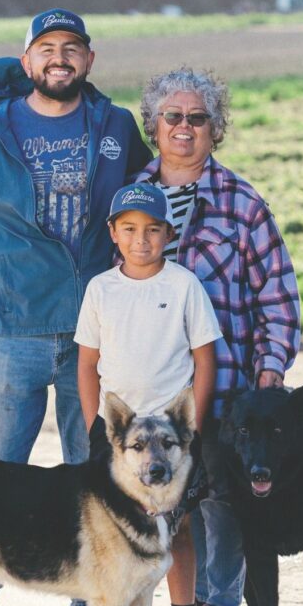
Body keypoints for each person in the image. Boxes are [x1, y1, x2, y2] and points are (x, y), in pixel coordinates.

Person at [0, 8, 152, 606]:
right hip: (11, 327)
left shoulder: (115, 128)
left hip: (94, 333)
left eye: (72, 49)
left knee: (94, 473)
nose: (59, 59)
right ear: (27, 60)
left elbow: (146, 213)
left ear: (89, 60)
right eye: (46, 49)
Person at [133, 68, 301, 606]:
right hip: (153, 389)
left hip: (227, 386)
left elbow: (278, 299)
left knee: (221, 500)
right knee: (169, 499)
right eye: (173, 117)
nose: (184, 127)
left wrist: (270, 375)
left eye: (197, 118)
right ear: (154, 125)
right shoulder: (132, 197)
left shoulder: (243, 203)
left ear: (214, 128)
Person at [75, 181, 220, 452]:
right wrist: (93, 425)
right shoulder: (100, 288)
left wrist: (193, 427)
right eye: (129, 229)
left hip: (170, 430)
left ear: (168, 234)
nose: (141, 239)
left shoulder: (184, 285)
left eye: (153, 230)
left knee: (171, 494)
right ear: (113, 232)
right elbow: (87, 364)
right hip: (115, 428)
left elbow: (205, 361)